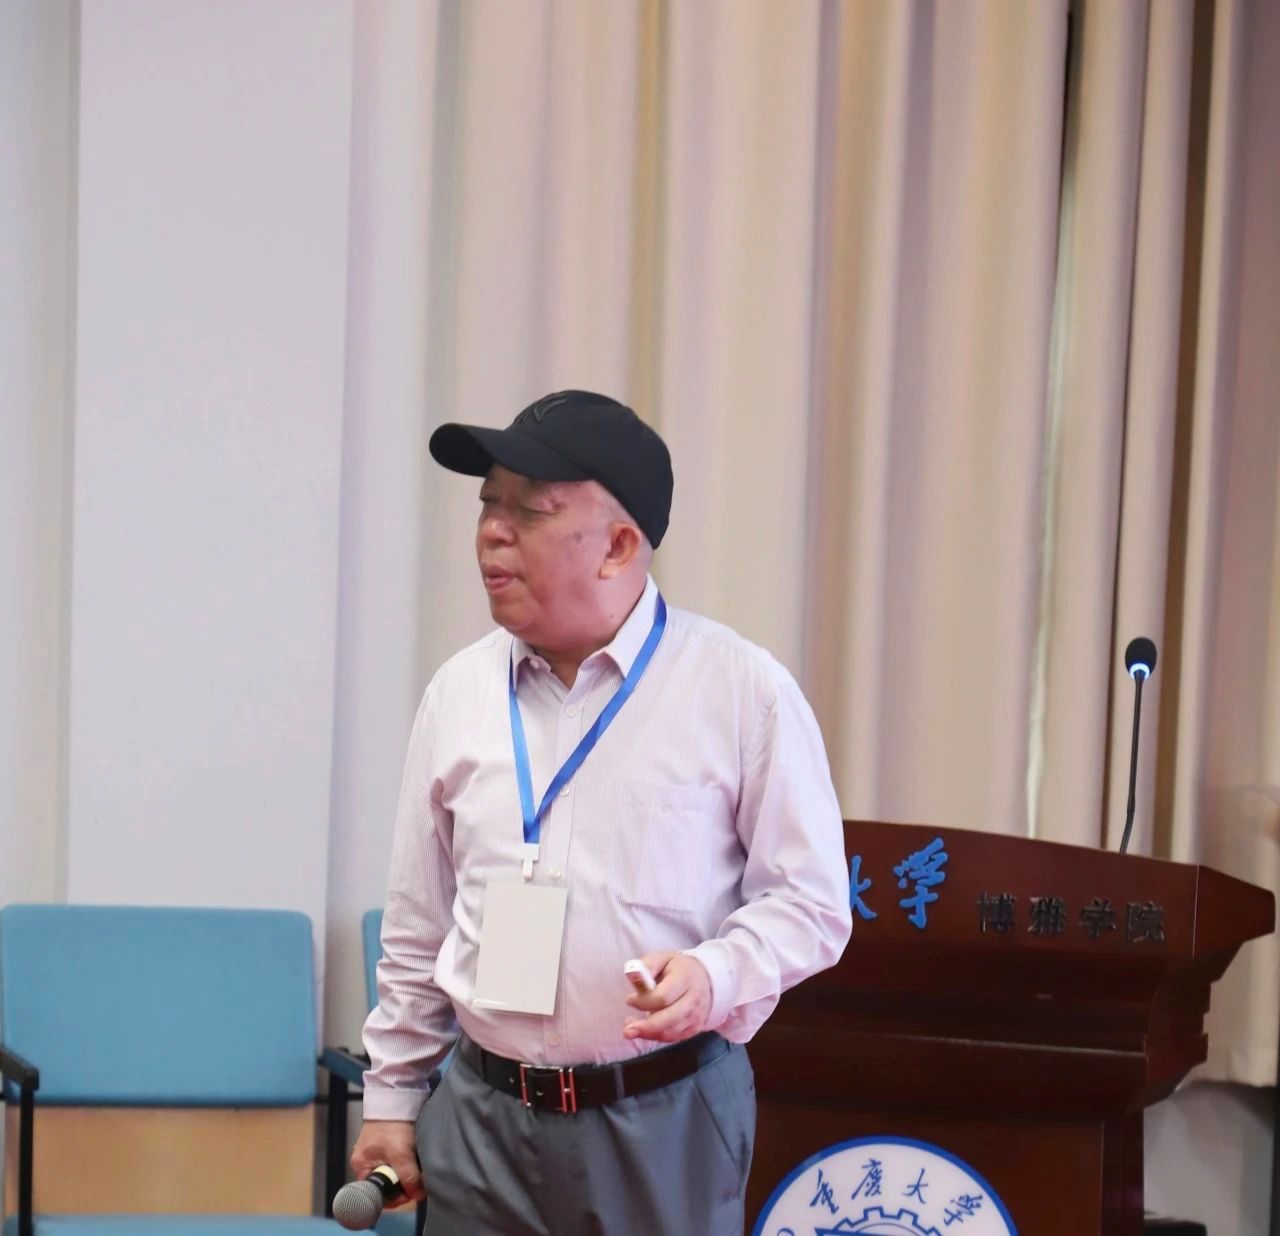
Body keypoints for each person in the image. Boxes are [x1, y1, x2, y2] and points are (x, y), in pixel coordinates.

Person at [353, 389, 852, 1235]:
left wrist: (717, 974)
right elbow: (417, 925)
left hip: (661, 1114)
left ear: (620, 545)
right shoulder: (459, 692)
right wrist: (393, 1100)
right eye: (487, 505)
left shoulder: (740, 691)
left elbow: (812, 903)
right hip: (480, 1118)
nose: (492, 532)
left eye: (528, 510)